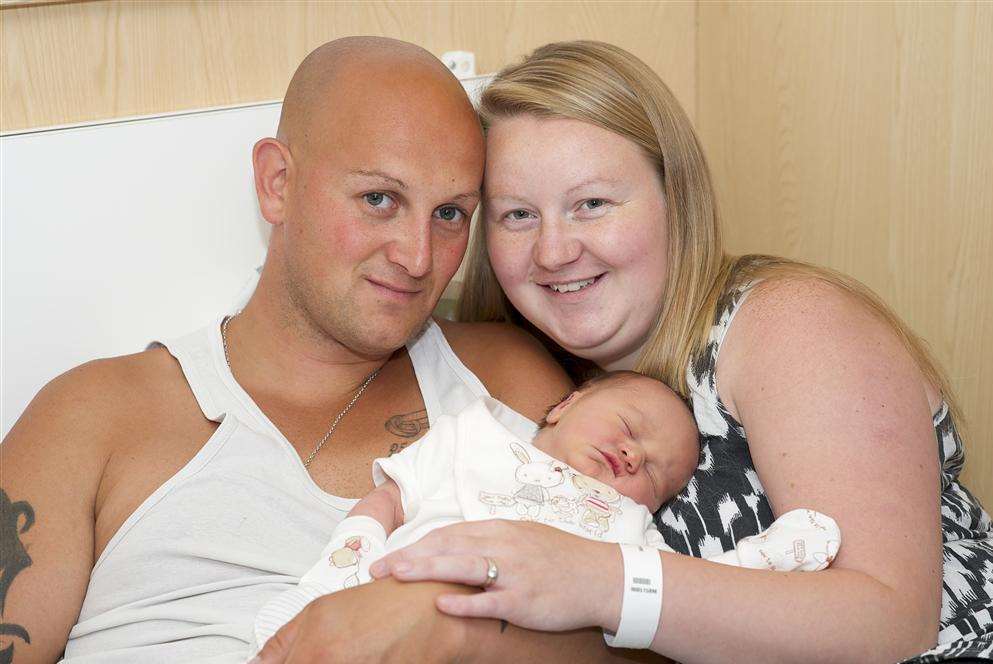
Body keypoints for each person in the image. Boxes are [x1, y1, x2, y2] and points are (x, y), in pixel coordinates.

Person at [1, 37, 657, 664]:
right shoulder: (96, 415)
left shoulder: (504, 378)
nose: (417, 257)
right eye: (379, 199)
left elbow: (649, 623)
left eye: (450, 213)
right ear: (276, 183)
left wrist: (458, 635)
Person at [364, 41, 993, 663]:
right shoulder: (539, 378)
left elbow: (891, 621)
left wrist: (602, 583)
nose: (554, 252)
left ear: (677, 200)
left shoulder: (785, 324)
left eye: (592, 204)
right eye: (518, 215)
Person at [252, 371, 841, 650]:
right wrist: (337, 572)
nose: (635, 455)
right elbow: (389, 499)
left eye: (656, 475)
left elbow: (677, 599)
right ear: (565, 404)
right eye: (630, 427)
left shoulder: (627, 524)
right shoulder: (472, 436)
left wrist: (750, 562)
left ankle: (756, 555)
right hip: (388, 601)